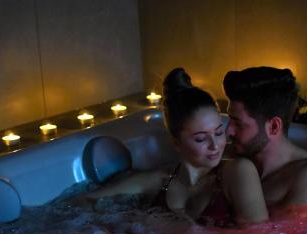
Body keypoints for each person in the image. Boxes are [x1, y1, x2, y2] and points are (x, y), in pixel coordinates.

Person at [88, 68, 268, 225]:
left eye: (219, 133)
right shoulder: (158, 182)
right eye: (200, 139)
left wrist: (177, 232)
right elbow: (81, 202)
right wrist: (125, 225)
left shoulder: (238, 171)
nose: (215, 145)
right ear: (177, 143)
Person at [223, 66, 307, 211]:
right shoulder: (230, 155)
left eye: (238, 124)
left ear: (273, 126)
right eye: (229, 120)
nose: (228, 130)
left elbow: (283, 233)